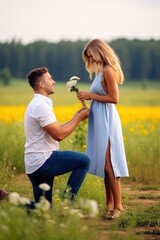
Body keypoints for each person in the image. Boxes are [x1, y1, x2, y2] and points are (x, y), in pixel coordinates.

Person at [24, 67, 91, 208]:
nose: (53, 82)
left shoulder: (38, 103)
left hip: (34, 164)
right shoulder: (40, 106)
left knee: (42, 210)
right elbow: (59, 135)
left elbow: (56, 129)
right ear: (41, 84)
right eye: (50, 79)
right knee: (84, 161)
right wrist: (79, 118)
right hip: (43, 160)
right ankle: (67, 202)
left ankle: (7, 197)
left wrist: (75, 117)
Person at [77, 39, 129, 219]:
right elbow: (100, 97)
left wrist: (90, 95)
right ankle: (109, 204)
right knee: (102, 163)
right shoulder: (100, 72)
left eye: (91, 55)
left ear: (99, 52)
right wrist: (87, 101)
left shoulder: (108, 70)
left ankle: (119, 206)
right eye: (88, 57)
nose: (90, 59)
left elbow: (114, 98)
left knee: (109, 163)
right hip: (98, 119)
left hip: (107, 120)